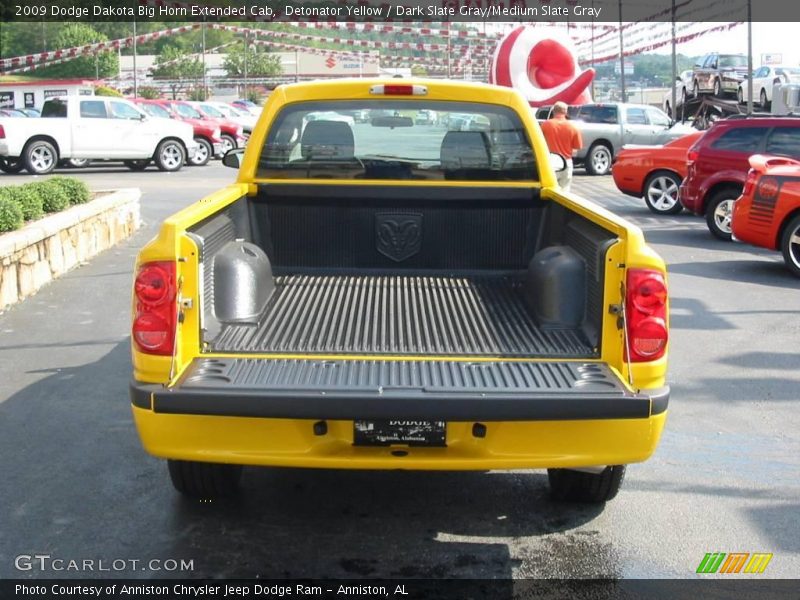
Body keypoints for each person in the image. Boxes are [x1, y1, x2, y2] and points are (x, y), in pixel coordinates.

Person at [539, 101, 583, 192]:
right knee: (565, 191)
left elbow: (538, 142)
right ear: (566, 112)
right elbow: (577, 148)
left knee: (550, 191)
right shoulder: (573, 127)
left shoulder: (546, 125)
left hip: (550, 162)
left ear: (553, 111)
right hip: (566, 162)